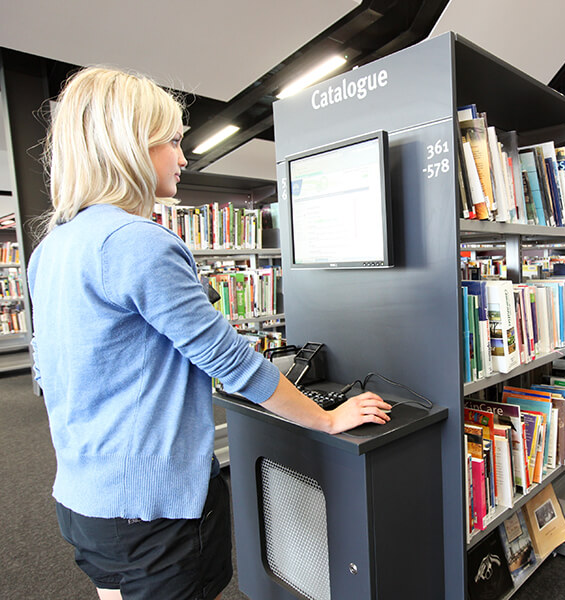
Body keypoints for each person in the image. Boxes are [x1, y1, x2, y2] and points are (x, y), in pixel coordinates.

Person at [27, 67, 392, 600]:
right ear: (128, 146)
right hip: (154, 513)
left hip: (86, 502)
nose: (183, 156)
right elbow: (235, 365)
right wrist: (327, 418)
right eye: (172, 141)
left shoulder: (51, 249)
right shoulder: (139, 242)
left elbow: (56, 371)